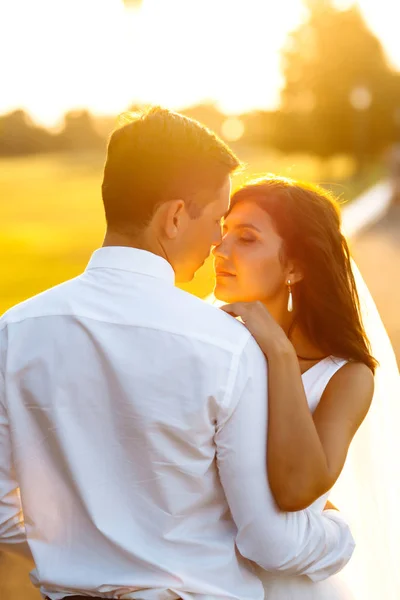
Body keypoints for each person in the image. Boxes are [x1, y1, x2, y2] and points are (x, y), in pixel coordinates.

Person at [0, 108, 355, 600]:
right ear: (173, 217)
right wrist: (343, 536)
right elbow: (270, 543)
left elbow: (1, 516)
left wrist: (77, 557)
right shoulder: (228, 347)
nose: (217, 243)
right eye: (215, 220)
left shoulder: (14, 330)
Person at [212, 175, 400, 599]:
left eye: (246, 238)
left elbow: (297, 488)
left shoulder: (346, 377)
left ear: (295, 266)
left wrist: (278, 351)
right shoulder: (202, 345)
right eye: (223, 234)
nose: (220, 251)